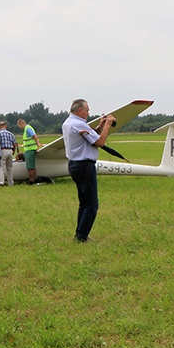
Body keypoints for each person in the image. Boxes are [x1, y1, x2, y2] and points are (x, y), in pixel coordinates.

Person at [62, 99, 116, 242]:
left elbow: (90, 137)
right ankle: (82, 236)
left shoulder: (68, 123)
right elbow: (100, 142)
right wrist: (108, 126)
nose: (88, 113)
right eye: (87, 110)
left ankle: (80, 233)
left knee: (84, 203)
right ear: (79, 110)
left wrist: (99, 127)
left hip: (74, 164)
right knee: (91, 205)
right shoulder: (79, 124)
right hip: (84, 166)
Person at [17, 118, 42, 185]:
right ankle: (31, 179)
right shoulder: (26, 129)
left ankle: (32, 180)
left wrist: (38, 146)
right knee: (29, 166)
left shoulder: (28, 129)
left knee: (31, 166)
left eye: (19, 126)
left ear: (21, 124)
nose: (19, 127)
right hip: (28, 150)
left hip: (31, 149)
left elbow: (35, 137)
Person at [0, 121, 17, 186]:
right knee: (9, 168)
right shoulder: (10, 134)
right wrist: (13, 152)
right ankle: (11, 182)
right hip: (10, 151)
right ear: (5, 126)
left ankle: (1, 182)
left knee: (1, 167)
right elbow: (14, 144)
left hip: (3, 151)